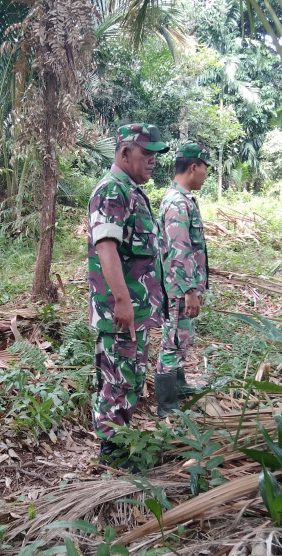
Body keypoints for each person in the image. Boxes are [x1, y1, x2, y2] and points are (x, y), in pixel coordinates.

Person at [87, 123, 170, 464]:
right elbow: (106, 248)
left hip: (135, 311)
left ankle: (121, 446)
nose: (152, 161)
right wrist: (122, 302)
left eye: (155, 155)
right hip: (122, 313)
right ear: (124, 153)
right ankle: (113, 454)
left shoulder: (132, 191)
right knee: (118, 381)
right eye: (146, 153)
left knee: (129, 379)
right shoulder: (112, 191)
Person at [154, 141, 212, 417]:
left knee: (181, 338)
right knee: (173, 341)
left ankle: (178, 385)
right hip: (178, 288)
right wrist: (189, 290)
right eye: (204, 168)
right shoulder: (177, 203)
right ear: (193, 167)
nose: (205, 174)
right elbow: (179, 251)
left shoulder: (183, 199)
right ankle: (167, 406)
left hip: (183, 286)